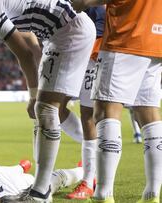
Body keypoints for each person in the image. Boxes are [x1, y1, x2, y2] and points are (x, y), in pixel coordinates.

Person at [0, 1, 95, 202]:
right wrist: (43, 76)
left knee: (45, 109)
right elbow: (28, 36)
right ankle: (48, 183)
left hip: (70, 32)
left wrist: (33, 94)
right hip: (58, 34)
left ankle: (41, 192)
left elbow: (24, 53)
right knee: (50, 110)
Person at [72, 1, 162, 203]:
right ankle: (152, 194)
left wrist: (77, 3)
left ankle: (103, 194)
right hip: (156, 39)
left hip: (125, 36)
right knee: (149, 112)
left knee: (105, 111)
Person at [65, 5, 106, 200]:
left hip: (92, 58)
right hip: (75, 55)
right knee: (52, 107)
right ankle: (93, 159)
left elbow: (95, 33)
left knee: (89, 116)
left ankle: (89, 181)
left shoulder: (96, 8)